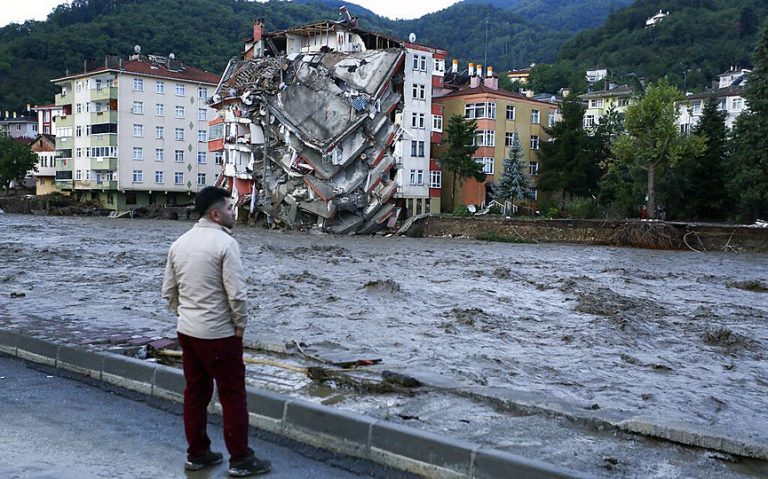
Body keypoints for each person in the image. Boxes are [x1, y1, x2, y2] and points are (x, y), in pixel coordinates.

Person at [162, 186, 271, 477]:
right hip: (219, 334)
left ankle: (197, 454)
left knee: (195, 394)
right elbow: (236, 294)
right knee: (233, 395)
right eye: (229, 208)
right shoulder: (225, 244)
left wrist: (186, 315)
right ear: (215, 213)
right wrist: (239, 324)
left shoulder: (179, 244)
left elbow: (168, 292)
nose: (233, 212)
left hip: (188, 331)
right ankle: (241, 459)